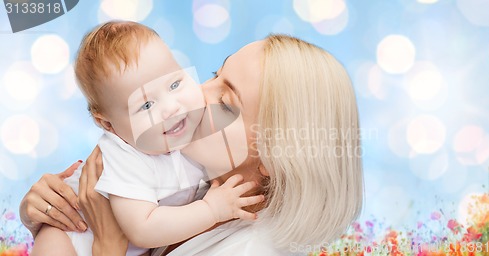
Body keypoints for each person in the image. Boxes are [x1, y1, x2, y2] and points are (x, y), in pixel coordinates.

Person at [20, 34, 364, 255]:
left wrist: (108, 247)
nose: (196, 96)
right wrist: (52, 212)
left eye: (226, 103)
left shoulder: (250, 249)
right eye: (214, 74)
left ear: (273, 159)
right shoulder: (192, 183)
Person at [27, 21, 264, 256]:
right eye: (147, 105)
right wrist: (211, 209)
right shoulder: (124, 156)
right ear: (108, 124)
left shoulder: (188, 142)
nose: (172, 108)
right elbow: (144, 228)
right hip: (70, 234)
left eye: (174, 84)